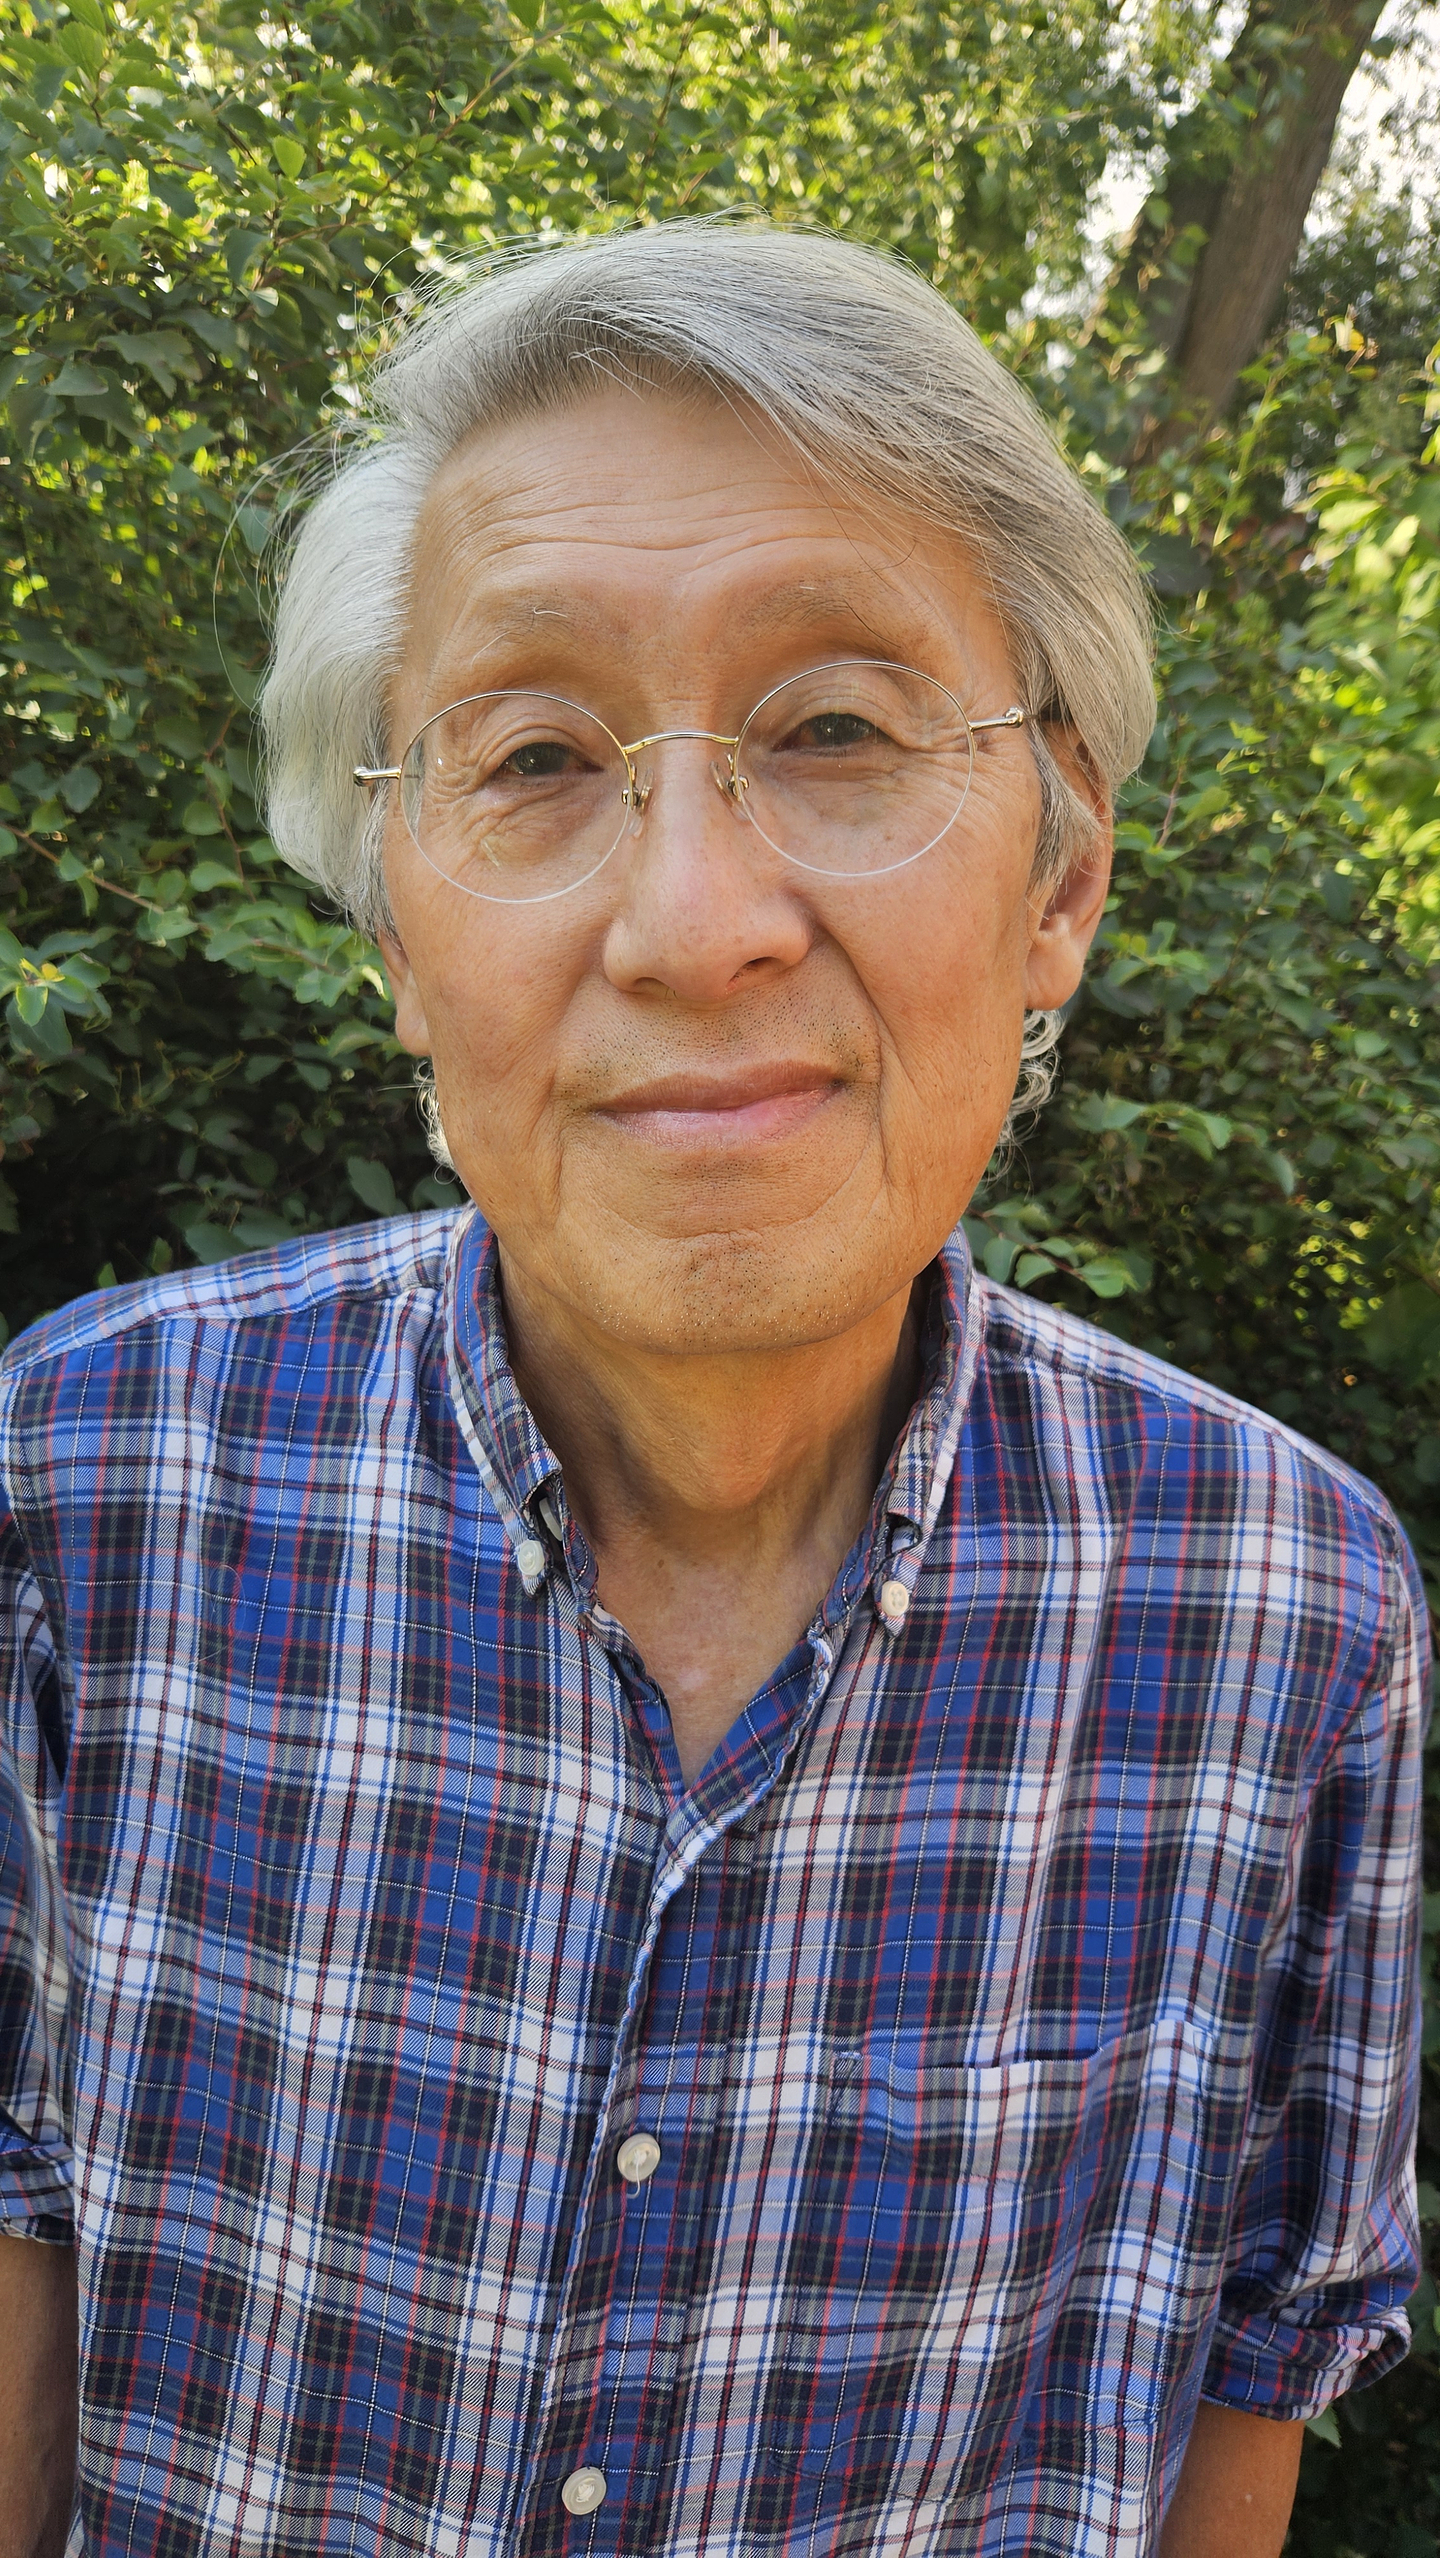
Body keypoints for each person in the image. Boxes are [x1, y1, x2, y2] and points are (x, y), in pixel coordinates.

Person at [0, 221, 1425, 2558]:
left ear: (1058, 878)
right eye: (536, 755)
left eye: (840, 729)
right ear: (392, 927)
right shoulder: (87, 1492)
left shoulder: (1283, 1613)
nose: (693, 919)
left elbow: (1243, 2387)